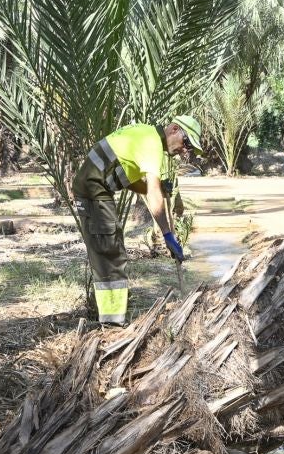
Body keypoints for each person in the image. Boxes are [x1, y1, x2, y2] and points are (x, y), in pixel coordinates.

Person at [71, 116, 200, 326]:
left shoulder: (145, 134)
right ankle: (112, 323)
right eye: (186, 143)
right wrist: (167, 234)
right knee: (110, 252)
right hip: (93, 190)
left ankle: (111, 318)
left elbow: (127, 177)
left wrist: (159, 187)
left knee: (110, 250)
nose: (185, 151)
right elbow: (153, 196)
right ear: (174, 129)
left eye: (189, 149)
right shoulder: (152, 145)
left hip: (94, 187)